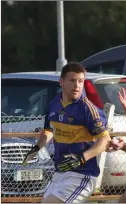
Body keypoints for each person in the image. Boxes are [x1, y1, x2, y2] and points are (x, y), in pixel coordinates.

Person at [23, 62, 111, 203]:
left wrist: (82, 157)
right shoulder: (54, 104)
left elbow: (105, 141)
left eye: (80, 81)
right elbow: (49, 130)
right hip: (60, 173)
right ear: (61, 82)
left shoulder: (87, 109)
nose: (77, 86)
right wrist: (37, 147)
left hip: (82, 175)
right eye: (72, 80)